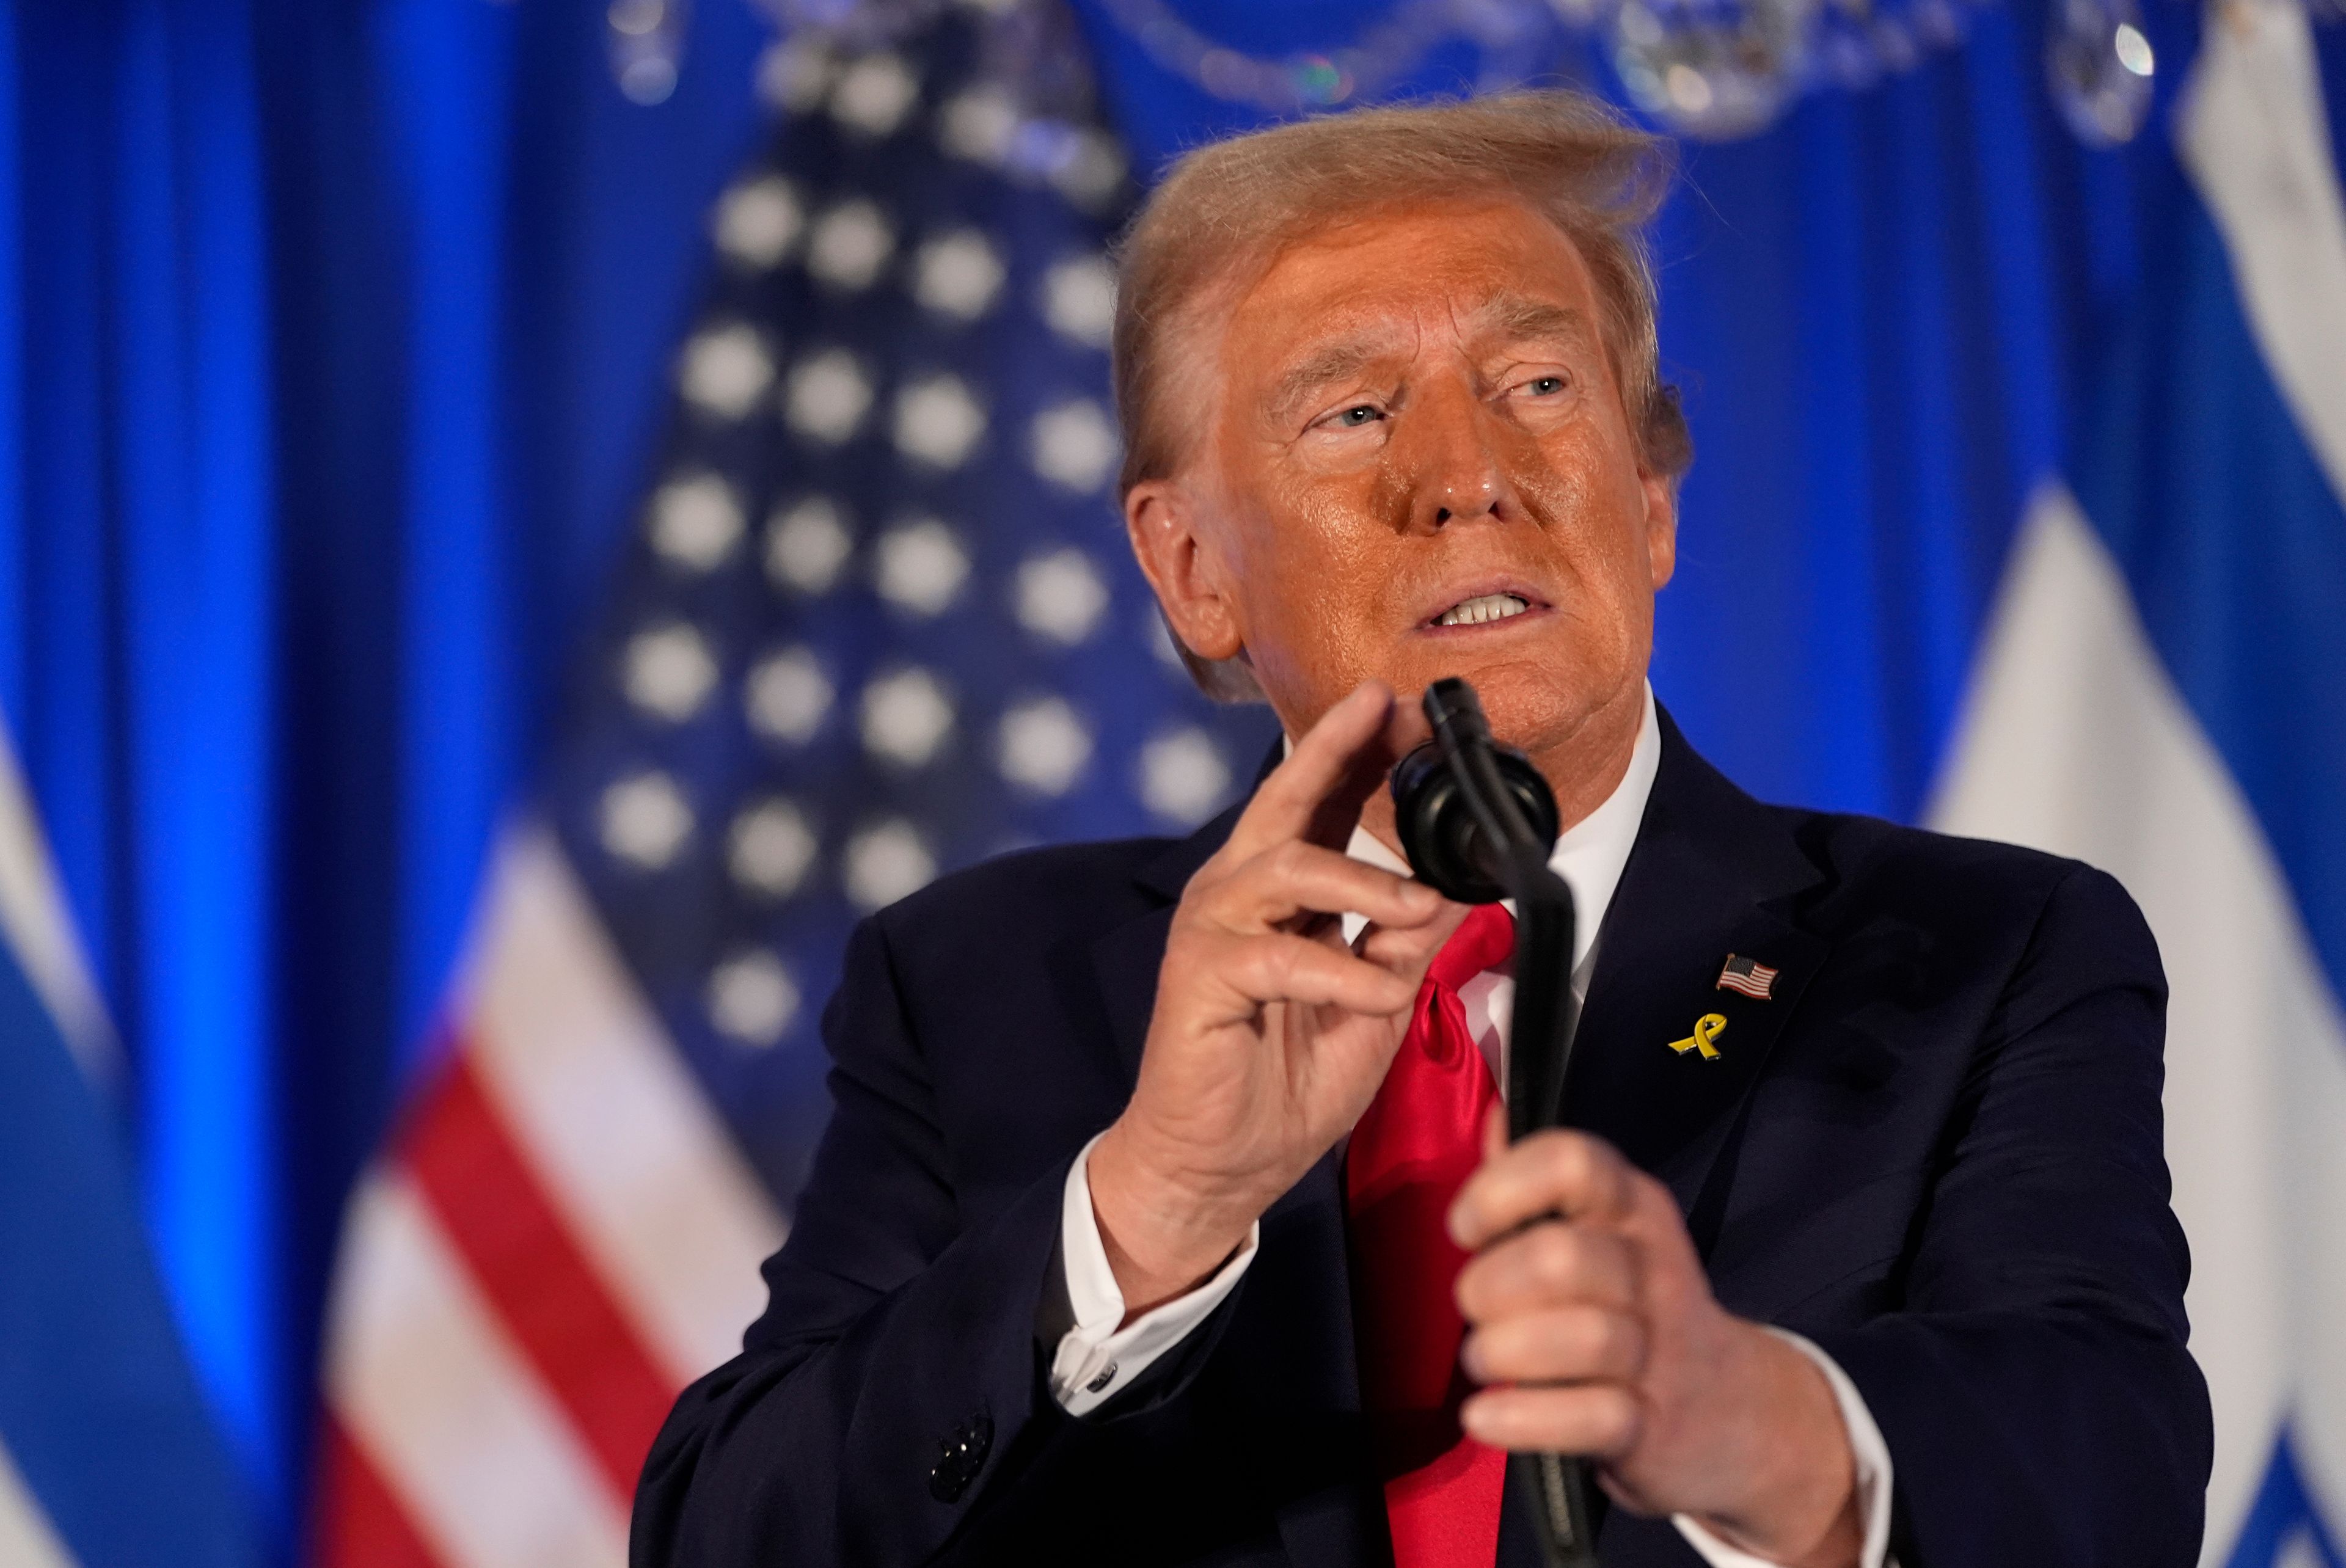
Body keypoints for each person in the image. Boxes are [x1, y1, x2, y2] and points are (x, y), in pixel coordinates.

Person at [630, 92, 2212, 1567]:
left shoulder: (1981, 950)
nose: (1469, 479)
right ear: (1194, 572)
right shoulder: (982, 980)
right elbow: (727, 1532)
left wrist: (1754, 1422)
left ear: (1648, 500)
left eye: (1538, 388)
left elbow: (2114, 1470)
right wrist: (1151, 1206)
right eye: (1356, 411)